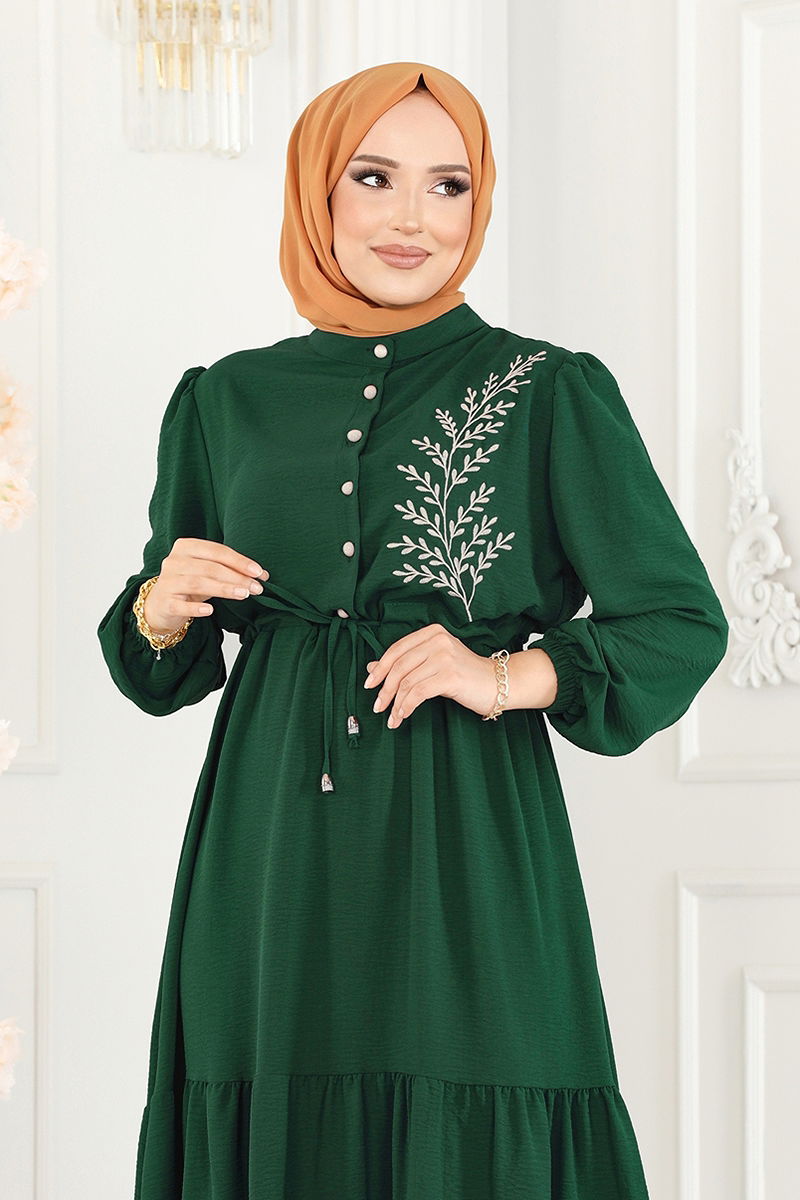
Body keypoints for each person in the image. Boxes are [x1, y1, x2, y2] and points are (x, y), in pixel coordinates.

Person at [97, 60, 729, 1199]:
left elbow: (678, 621)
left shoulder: (545, 389)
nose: (411, 219)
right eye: (374, 177)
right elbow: (163, 674)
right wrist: (158, 603)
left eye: (448, 186)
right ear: (315, 192)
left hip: (467, 832)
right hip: (270, 847)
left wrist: (504, 675)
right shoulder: (225, 398)